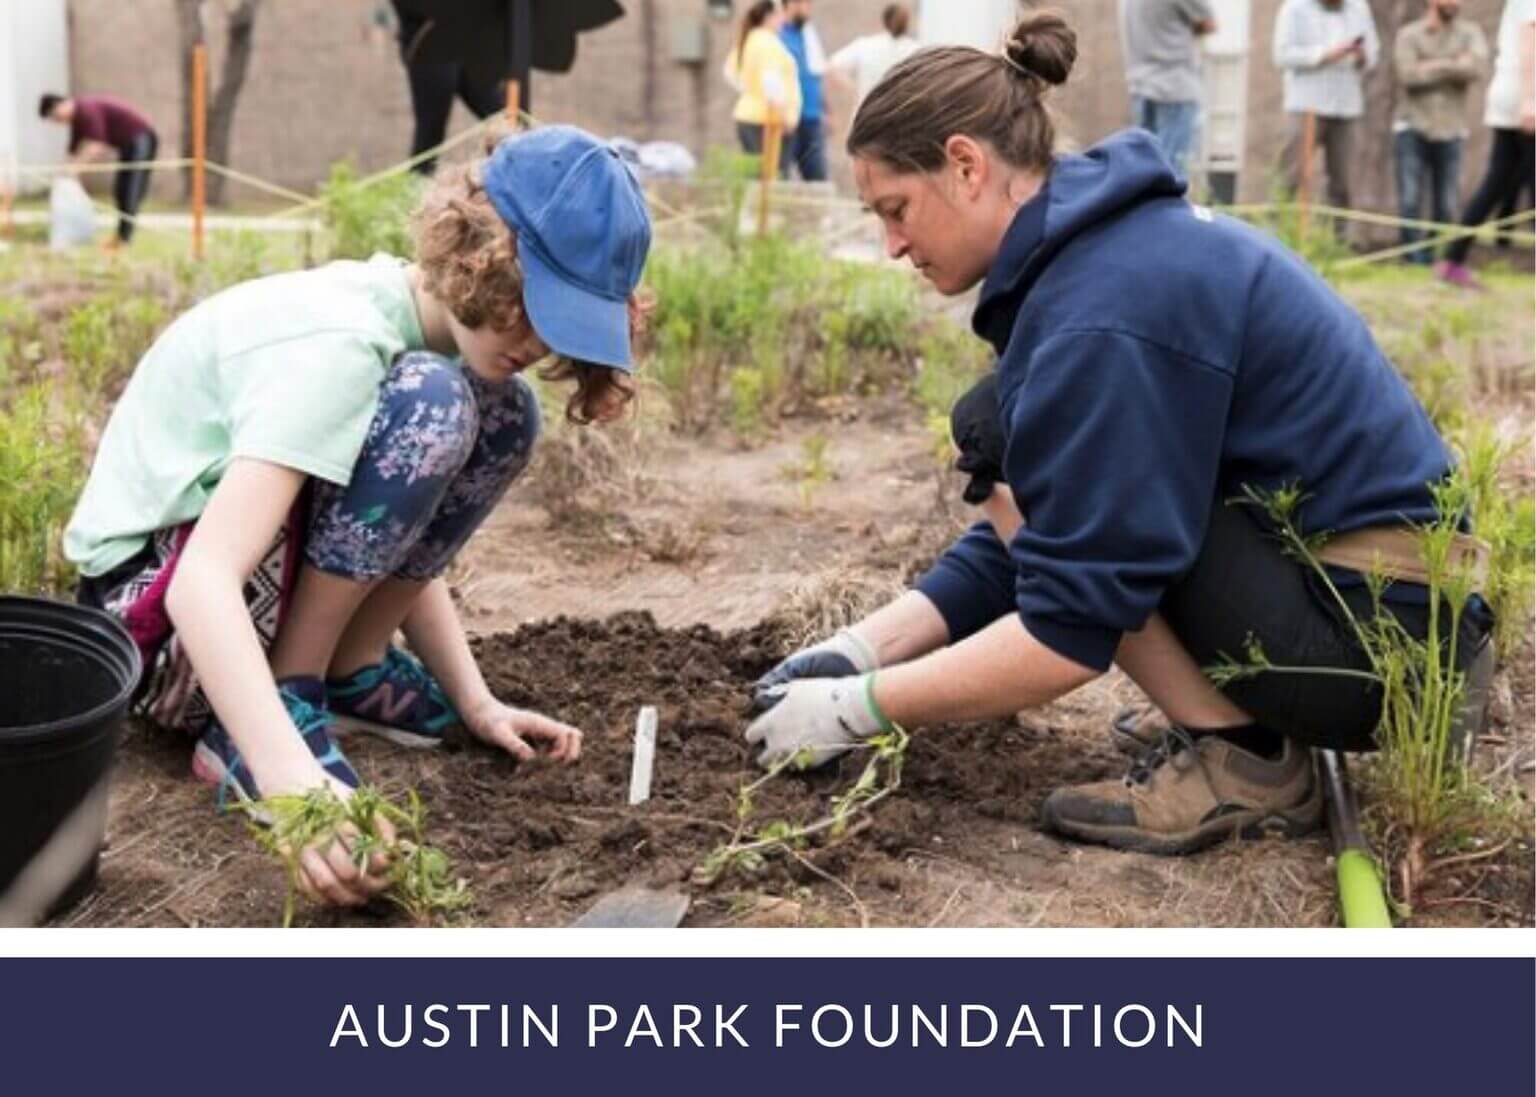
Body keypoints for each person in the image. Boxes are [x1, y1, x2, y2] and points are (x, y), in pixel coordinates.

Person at [743, 11, 1492, 856]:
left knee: (1015, 446)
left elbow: (1068, 626)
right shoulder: (1105, 256)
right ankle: (1235, 720)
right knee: (1023, 443)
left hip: (1376, 654)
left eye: (896, 209)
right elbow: (1047, 528)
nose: (890, 245)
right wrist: (859, 651)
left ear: (966, 165)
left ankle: (1247, 759)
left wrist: (861, 709)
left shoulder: (1104, 311)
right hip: (1388, 620)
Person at [66, 126, 652, 904]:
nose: (540, 341)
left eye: (564, 324)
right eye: (535, 303)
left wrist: (475, 701)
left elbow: (383, 526)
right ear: (482, 255)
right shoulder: (341, 342)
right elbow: (201, 581)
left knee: (506, 413)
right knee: (435, 404)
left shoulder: (422, 339)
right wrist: (291, 783)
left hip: (229, 603)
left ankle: (348, 671)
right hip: (151, 627)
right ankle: (270, 708)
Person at [1437, 0, 1535, 288]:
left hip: (1514, 97)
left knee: (1497, 182)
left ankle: (1452, 259)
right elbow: (1530, 42)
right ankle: (1452, 259)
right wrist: (1530, 100)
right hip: (1523, 98)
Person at [1392, 0, 1488, 264]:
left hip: (1451, 129)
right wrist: (1453, 63)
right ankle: (1412, 258)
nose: (1455, 3)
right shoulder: (1409, 34)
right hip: (1413, 125)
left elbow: (1476, 69)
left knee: (1446, 203)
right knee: (1410, 198)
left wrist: (1430, 64)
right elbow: (1408, 75)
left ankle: (1435, 256)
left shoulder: (1470, 33)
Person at [1272, 0, 1380, 222]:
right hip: (1306, 104)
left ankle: (1336, 238)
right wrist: (1325, 54)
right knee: (1291, 175)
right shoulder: (1294, 8)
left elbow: (1373, 53)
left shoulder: (1359, 8)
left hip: (1346, 105)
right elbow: (1281, 55)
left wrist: (1361, 55)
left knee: (1343, 183)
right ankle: (1277, 233)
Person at [390, 1, 505, 176]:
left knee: (506, 116)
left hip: (466, 43)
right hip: (428, 46)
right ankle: (416, 186)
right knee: (430, 135)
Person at [37, 92, 157, 246]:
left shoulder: (86, 110)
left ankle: (124, 239)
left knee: (130, 190)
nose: (58, 122)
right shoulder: (77, 121)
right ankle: (121, 236)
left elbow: (96, 145)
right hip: (128, 146)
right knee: (120, 190)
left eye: (55, 117)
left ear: (61, 105)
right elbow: (72, 152)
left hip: (142, 139)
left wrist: (75, 169)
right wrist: (62, 174)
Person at [1117, 0, 1218, 177]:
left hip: (1140, 87)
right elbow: (1209, 23)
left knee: (1145, 173)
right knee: (1171, 174)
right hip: (1175, 89)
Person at [724, 0, 803, 175]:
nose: (783, 20)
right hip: (768, 121)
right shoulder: (768, 43)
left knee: (757, 175)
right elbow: (771, 80)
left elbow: (730, 72)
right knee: (772, 178)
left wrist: (751, 91)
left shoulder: (749, 39)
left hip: (749, 115)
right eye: (780, 15)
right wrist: (783, 115)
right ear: (769, 17)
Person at [828, 4, 922, 111]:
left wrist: (854, 89)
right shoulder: (916, 51)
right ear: (907, 23)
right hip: (902, 113)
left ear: (884, 21)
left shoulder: (866, 45)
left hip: (867, 113)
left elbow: (833, 65)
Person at [779, 0, 830, 182]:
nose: (807, 8)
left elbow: (816, 73)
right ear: (788, 5)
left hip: (812, 118)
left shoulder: (809, 35)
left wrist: (825, 109)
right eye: (801, 3)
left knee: (818, 178)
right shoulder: (778, 34)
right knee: (780, 177)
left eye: (809, 3)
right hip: (787, 119)